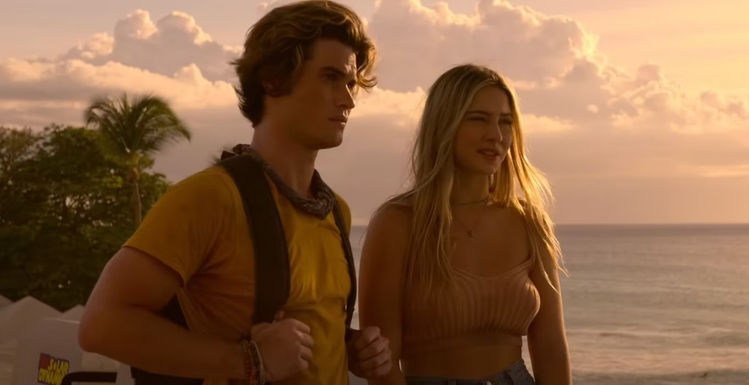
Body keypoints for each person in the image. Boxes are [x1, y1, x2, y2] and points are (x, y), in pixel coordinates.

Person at [78, 1, 391, 384]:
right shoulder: (211, 198)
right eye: (330, 77)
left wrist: (351, 348)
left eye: (351, 83)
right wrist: (246, 361)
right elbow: (101, 324)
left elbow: (308, 330)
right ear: (273, 79)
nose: (348, 100)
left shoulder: (334, 210)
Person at [358, 64, 571, 385]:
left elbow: (551, 349)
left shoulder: (528, 222)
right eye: (478, 119)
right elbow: (382, 363)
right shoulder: (397, 223)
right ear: (445, 124)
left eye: (506, 122)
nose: (496, 135)